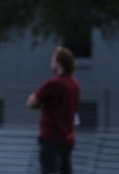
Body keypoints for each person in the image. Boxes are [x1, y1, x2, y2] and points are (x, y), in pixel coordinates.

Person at [27, 46, 82, 174]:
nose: (50, 64)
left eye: (52, 60)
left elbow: (31, 103)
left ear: (58, 63)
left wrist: (42, 104)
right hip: (67, 140)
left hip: (51, 140)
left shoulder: (53, 84)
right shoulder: (76, 85)